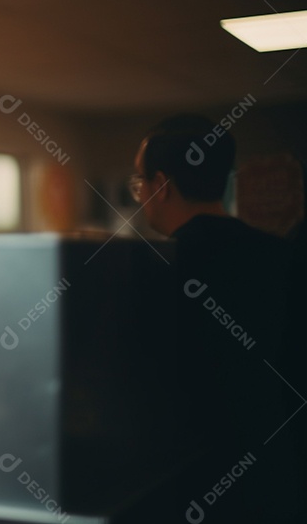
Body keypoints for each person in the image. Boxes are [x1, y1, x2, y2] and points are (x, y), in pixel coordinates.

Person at [126, 114, 304, 523]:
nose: (140, 195)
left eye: (140, 182)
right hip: (279, 475)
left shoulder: (154, 269)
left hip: (189, 483)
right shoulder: (284, 256)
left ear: (162, 186)